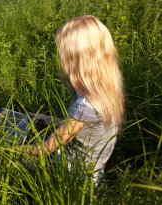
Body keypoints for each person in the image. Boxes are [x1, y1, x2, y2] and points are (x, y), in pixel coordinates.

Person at [25, 15, 125, 186]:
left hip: (72, 179)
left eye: (63, 53)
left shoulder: (85, 105)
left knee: (15, 160)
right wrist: (42, 117)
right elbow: (78, 126)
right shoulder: (106, 91)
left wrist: (3, 146)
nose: (60, 57)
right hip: (91, 172)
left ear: (77, 58)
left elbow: (43, 150)